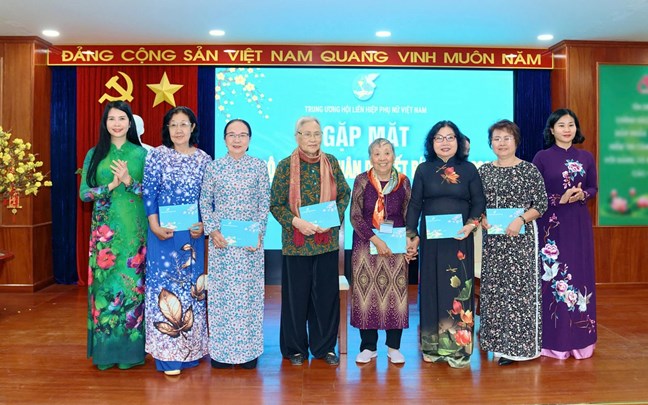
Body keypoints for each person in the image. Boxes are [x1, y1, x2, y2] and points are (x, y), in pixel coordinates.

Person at [270, 116, 351, 366]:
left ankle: (324, 348)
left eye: (317, 134)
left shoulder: (331, 162)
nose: (313, 139)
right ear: (297, 137)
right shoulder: (285, 166)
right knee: (296, 299)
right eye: (307, 134)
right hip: (296, 244)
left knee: (326, 298)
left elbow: (344, 194)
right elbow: (276, 204)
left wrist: (333, 218)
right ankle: (295, 349)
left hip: (326, 243)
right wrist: (296, 222)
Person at [405, 120, 486, 368]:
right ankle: (432, 346)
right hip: (431, 239)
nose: (445, 142)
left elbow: (479, 201)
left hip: (460, 238)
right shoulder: (423, 169)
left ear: (458, 142)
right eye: (439, 138)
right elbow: (415, 204)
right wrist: (411, 234)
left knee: (458, 289)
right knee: (432, 288)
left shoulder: (469, 169)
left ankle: (459, 350)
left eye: (450, 137)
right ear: (432, 143)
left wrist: (471, 225)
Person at [142, 106, 211, 376]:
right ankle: (167, 355)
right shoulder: (157, 156)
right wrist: (154, 225)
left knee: (191, 289)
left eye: (184, 124)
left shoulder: (204, 159)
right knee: (165, 289)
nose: (179, 130)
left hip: (192, 236)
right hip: (163, 233)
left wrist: (203, 224)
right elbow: (149, 192)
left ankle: (190, 351)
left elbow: (207, 198)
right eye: (173, 125)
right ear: (167, 129)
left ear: (193, 127)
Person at [79, 100, 147, 370]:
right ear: (105, 123)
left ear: (130, 123)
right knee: (105, 289)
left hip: (133, 233)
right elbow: (84, 194)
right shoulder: (94, 154)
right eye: (111, 119)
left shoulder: (142, 154)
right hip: (104, 235)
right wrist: (110, 185)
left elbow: (151, 194)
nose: (116, 124)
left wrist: (129, 182)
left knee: (132, 288)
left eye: (121, 119)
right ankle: (106, 353)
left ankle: (131, 353)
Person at [200, 119, 270, 369]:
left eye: (242, 135)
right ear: (224, 139)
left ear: (249, 139)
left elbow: (264, 202)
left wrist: (259, 233)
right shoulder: (214, 168)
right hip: (222, 244)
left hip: (250, 245)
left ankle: (248, 353)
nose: (237, 139)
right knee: (222, 298)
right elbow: (205, 201)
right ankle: (221, 353)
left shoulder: (259, 167)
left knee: (248, 298)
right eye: (232, 134)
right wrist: (212, 230)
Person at [478, 120, 548, 366]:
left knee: (520, 292)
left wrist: (520, 219)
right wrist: (482, 218)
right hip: (494, 242)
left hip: (521, 239)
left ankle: (519, 348)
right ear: (490, 143)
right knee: (495, 290)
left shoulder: (529, 170)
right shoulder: (484, 171)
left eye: (506, 138)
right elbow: (476, 204)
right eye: (496, 138)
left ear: (516, 141)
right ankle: (497, 344)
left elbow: (541, 204)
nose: (501, 143)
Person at [532, 108, 598, 359]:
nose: (567, 129)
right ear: (552, 130)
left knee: (580, 275)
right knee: (553, 277)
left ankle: (581, 341)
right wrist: (559, 198)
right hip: (552, 225)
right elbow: (535, 195)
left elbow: (593, 187)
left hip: (578, 224)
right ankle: (553, 342)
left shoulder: (586, 157)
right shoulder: (542, 157)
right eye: (561, 125)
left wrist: (583, 194)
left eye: (571, 124)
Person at [350, 138, 413, 365]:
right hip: (366, 244)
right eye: (377, 154)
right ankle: (368, 346)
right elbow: (355, 216)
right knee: (366, 294)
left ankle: (394, 347)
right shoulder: (362, 180)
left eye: (387, 153)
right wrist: (376, 240)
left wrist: (409, 240)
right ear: (370, 158)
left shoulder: (403, 182)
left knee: (395, 294)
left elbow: (409, 215)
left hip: (395, 247)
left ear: (394, 156)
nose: (382, 158)